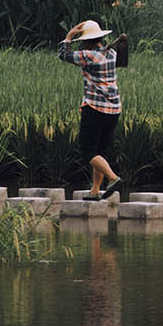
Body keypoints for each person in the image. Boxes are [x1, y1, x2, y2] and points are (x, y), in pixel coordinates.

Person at [58, 19, 124, 200]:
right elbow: (122, 58)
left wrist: (69, 36)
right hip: (114, 110)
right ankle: (95, 191)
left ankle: (113, 178)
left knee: (88, 150)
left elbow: (63, 55)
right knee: (99, 151)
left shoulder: (88, 56)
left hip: (95, 108)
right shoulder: (111, 53)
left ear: (86, 41)